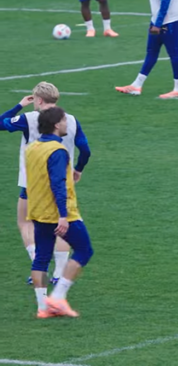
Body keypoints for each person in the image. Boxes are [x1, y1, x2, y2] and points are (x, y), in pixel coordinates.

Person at [1, 82, 90, 286]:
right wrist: (79, 169)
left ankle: (38, 268)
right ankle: (59, 274)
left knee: (26, 222)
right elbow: (85, 149)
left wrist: (19, 105)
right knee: (60, 224)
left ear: (38, 100)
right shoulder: (71, 120)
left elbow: (0, 122)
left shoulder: (28, 118)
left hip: (32, 183)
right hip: (62, 181)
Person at [25, 106, 94, 318]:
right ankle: (57, 297)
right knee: (84, 250)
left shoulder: (32, 148)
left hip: (37, 210)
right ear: (56, 125)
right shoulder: (58, 151)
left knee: (42, 258)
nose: (66, 124)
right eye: (64, 121)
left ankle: (43, 307)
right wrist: (63, 215)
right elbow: (58, 184)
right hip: (58, 212)